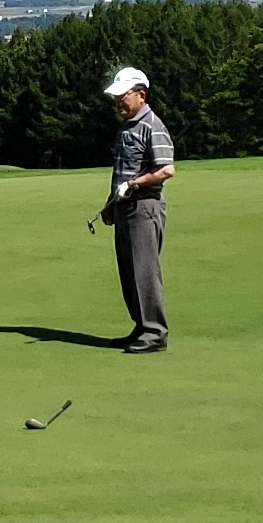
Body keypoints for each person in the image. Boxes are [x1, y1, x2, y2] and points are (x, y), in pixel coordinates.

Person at [102, 65, 177, 352]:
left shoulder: (152, 125)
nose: (117, 103)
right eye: (115, 98)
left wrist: (134, 184)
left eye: (122, 97)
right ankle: (141, 327)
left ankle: (155, 333)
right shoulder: (127, 126)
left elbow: (166, 169)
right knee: (129, 271)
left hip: (144, 207)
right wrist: (110, 203)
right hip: (123, 207)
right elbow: (122, 171)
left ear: (140, 95)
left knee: (144, 271)